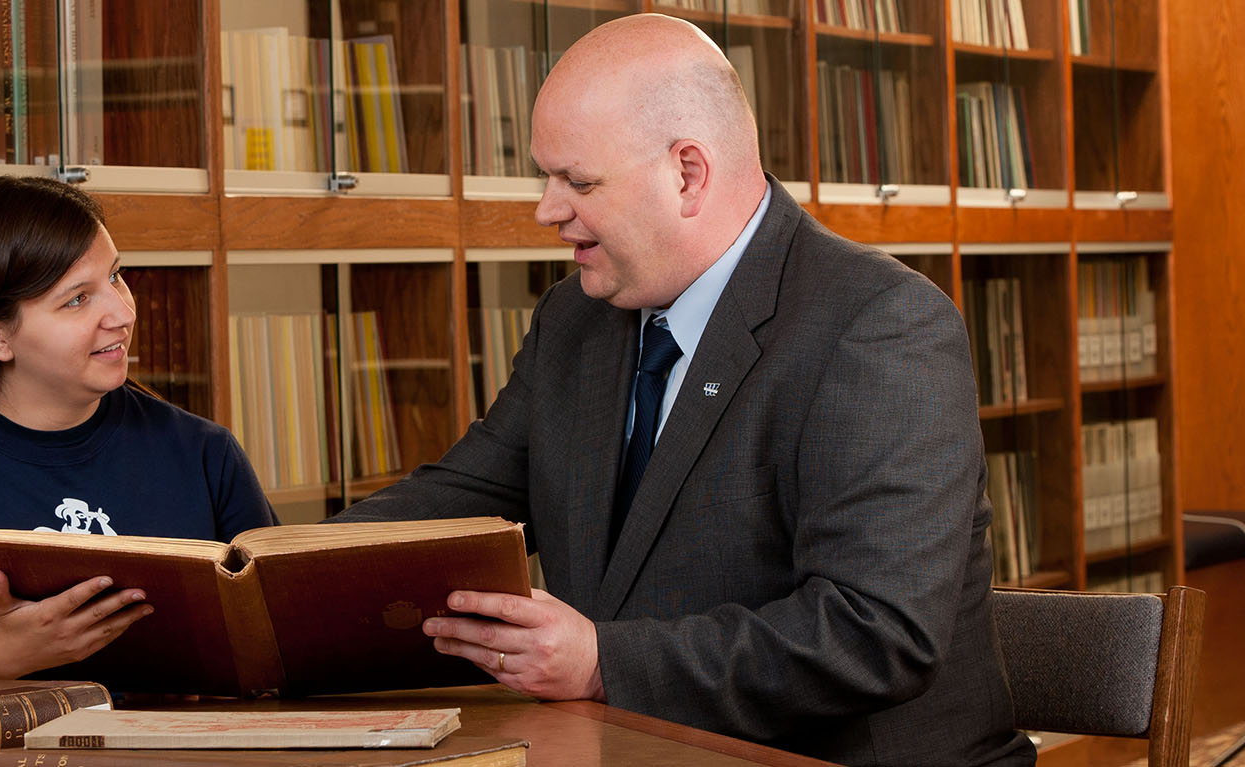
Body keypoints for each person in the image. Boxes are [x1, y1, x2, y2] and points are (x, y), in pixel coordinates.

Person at [330, 14, 1034, 767]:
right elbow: (461, 498)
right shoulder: (574, 319)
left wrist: (604, 660)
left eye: (578, 180)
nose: (546, 208)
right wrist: (262, 568)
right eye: (545, 175)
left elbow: (878, 631)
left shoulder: (879, 323)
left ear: (688, 173)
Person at [0, 176, 277, 679]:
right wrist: (6, 654)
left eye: (115, 276)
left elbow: (282, 636)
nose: (122, 312)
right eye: (77, 300)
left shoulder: (204, 453)